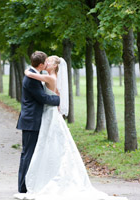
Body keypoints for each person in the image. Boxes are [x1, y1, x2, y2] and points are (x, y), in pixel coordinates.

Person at [14, 56, 128, 200]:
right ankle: (32, 182)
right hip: (44, 116)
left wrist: (28, 72)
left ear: (55, 66)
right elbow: (44, 91)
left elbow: (36, 82)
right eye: (46, 61)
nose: (47, 63)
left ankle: (37, 182)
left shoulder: (48, 77)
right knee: (42, 149)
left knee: (48, 148)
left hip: (49, 114)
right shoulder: (46, 76)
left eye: (49, 62)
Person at [16, 51, 60, 194]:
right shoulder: (32, 78)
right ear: (41, 65)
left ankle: (29, 183)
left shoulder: (33, 73)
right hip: (31, 120)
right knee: (27, 153)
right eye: (46, 62)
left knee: (32, 153)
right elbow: (43, 98)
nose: (47, 63)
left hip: (34, 119)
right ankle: (23, 187)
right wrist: (60, 100)